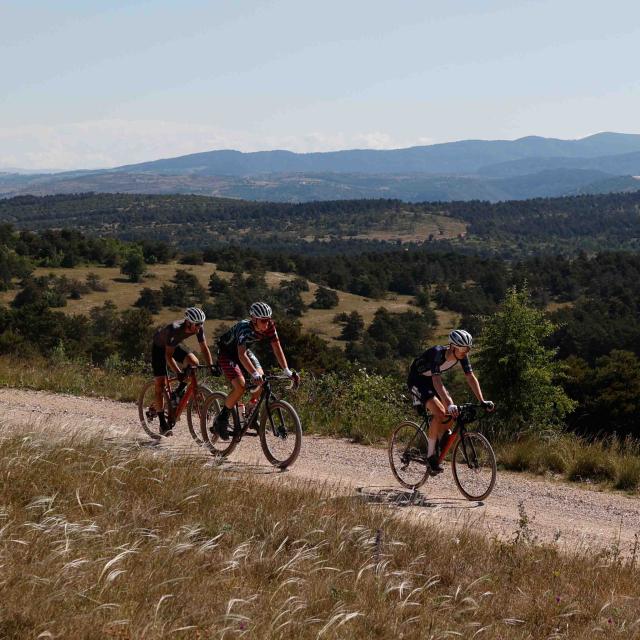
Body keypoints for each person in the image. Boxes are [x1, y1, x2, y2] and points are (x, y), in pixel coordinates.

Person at [407, 329, 494, 474]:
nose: (465, 353)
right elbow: (436, 380)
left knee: (452, 414)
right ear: (453, 347)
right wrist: (448, 402)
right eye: (463, 350)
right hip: (417, 379)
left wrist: (482, 400)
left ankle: (438, 441)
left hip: (431, 381)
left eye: (468, 349)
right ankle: (430, 456)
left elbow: (470, 377)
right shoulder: (437, 353)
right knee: (441, 412)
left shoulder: (461, 356)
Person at [213, 301, 298, 440]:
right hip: (227, 353)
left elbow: (277, 348)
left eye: (268, 319)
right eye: (263, 320)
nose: (266, 323)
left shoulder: (270, 326)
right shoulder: (244, 327)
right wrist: (253, 373)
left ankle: (251, 413)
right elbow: (241, 355)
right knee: (240, 386)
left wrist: (287, 371)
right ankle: (222, 419)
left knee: (262, 378)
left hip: (244, 351)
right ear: (254, 319)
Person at [151, 306, 215, 436]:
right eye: (197, 325)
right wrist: (178, 372)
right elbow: (168, 356)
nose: (199, 327)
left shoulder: (198, 328)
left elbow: (204, 348)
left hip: (174, 345)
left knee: (194, 363)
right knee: (160, 384)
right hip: (159, 347)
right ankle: (163, 423)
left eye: (201, 324)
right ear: (188, 322)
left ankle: (177, 392)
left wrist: (211, 366)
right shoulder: (174, 329)